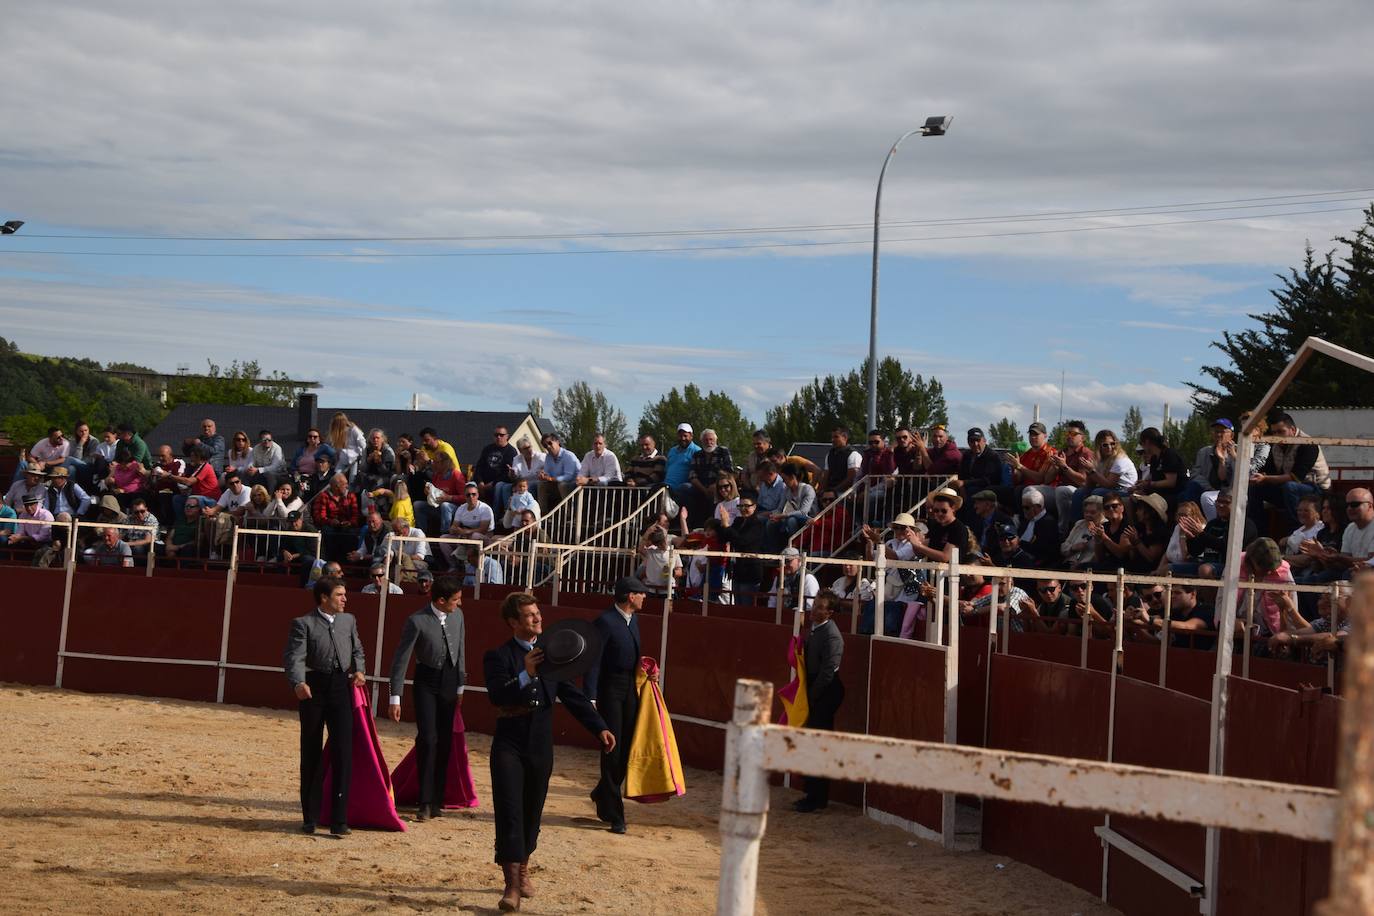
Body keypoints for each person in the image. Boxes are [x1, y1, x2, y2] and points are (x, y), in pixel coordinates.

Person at [483, 593, 614, 912]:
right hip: (509, 743)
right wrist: (526, 673)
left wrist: (599, 727)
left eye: (538, 613)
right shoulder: (498, 656)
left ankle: (523, 867)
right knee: (510, 809)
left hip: (540, 744)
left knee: (532, 810)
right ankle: (511, 884)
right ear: (513, 622)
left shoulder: (552, 657)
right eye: (529, 616)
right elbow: (498, 696)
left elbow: (573, 696)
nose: (538, 619)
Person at [282, 575, 367, 837]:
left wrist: (360, 671)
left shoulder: (348, 620)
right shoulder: (303, 624)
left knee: (343, 752)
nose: (345, 599)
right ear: (324, 598)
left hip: (342, 687)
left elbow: (357, 650)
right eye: (340, 595)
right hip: (313, 690)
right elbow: (294, 657)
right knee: (311, 752)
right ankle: (310, 816)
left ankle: (339, 820)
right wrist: (298, 682)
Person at [388, 575, 467, 821]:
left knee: (444, 741)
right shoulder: (417, 621)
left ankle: (436, 800)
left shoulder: (458, 616)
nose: (459, 604)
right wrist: (395, 697)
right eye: (455, 600)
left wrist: (461, 686)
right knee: (428, 739)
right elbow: (401, 659)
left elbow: (462, 648)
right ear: (441, 600)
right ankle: (424, 800)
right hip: (426, 682)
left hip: (450, 681)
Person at [586, 577, 659, 834]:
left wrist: (646, 671)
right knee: (613, 749)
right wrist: (591, 697)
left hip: (630, 689)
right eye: (641, 594)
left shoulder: (632, 620)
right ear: (630, 596)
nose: (644, 597)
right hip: (609, 691)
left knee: (628, 747)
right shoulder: (605, 622)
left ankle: (601, 791)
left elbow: (631, 657)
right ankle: (617, 816)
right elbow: (594, 661)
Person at [795, 591, 844, 813]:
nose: (814, 610)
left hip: (826, 692)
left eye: (820, 607)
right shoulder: (816, 630)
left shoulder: (832, 636)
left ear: (830, 612)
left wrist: (812, 696)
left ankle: (817, 798)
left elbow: (828, 672)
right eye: (815, 605)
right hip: (817, 689)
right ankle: (811, 793)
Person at [1250, 411, 1331, 527]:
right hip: (1288, 489)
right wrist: (1258, 477)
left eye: (1281, 432)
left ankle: (1296, 529)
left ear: (1292, 430)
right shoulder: (1275, 446)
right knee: (1255, 488)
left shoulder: (1308, 443)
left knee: (1290, 486)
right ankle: (1257, 529)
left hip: (1317, 490)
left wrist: (1265, 478)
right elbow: (1269, 470)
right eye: (1274, 432)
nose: (1277, 436)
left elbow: (1296, 477)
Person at [1180, 419, 1237, 519]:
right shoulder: (1204, 452)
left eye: (1222, 432)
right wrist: (1209, 487)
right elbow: (1195, 475)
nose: (1218, 435)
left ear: (1231, 435)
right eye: (1216, 431)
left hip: (1228, 491)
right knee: (1188, 489)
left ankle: (1209, 525)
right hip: (1209, 488)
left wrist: (1229, 457)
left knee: (1204, 496)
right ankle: (1187, 522)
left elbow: (1236, 476)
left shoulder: (1237, 451)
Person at [475, 426, 519, 513]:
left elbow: (507, 473)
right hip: (482, 482)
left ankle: (495, 514)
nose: (498, 437)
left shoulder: (511, 451)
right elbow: (479, 467)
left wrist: (492, 484)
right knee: (470, 486)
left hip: (498, 482)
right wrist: (480, 482)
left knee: (499, 486)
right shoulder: (487, 449)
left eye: (501, 435)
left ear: (507, 436)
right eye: (496, 435)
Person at [536, 433, 579, 516]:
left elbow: (568, 477)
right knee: (541, 484)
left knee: (562, 485)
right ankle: (543, 513)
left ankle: (569, 514)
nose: (548, 447)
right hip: (557, 484)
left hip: (574, 485)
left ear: (558, 442)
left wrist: (551, 479)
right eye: (545, 445)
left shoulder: (568, 456)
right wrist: (543, 475)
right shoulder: (548, 457)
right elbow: (547, 473)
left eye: (550, 443)